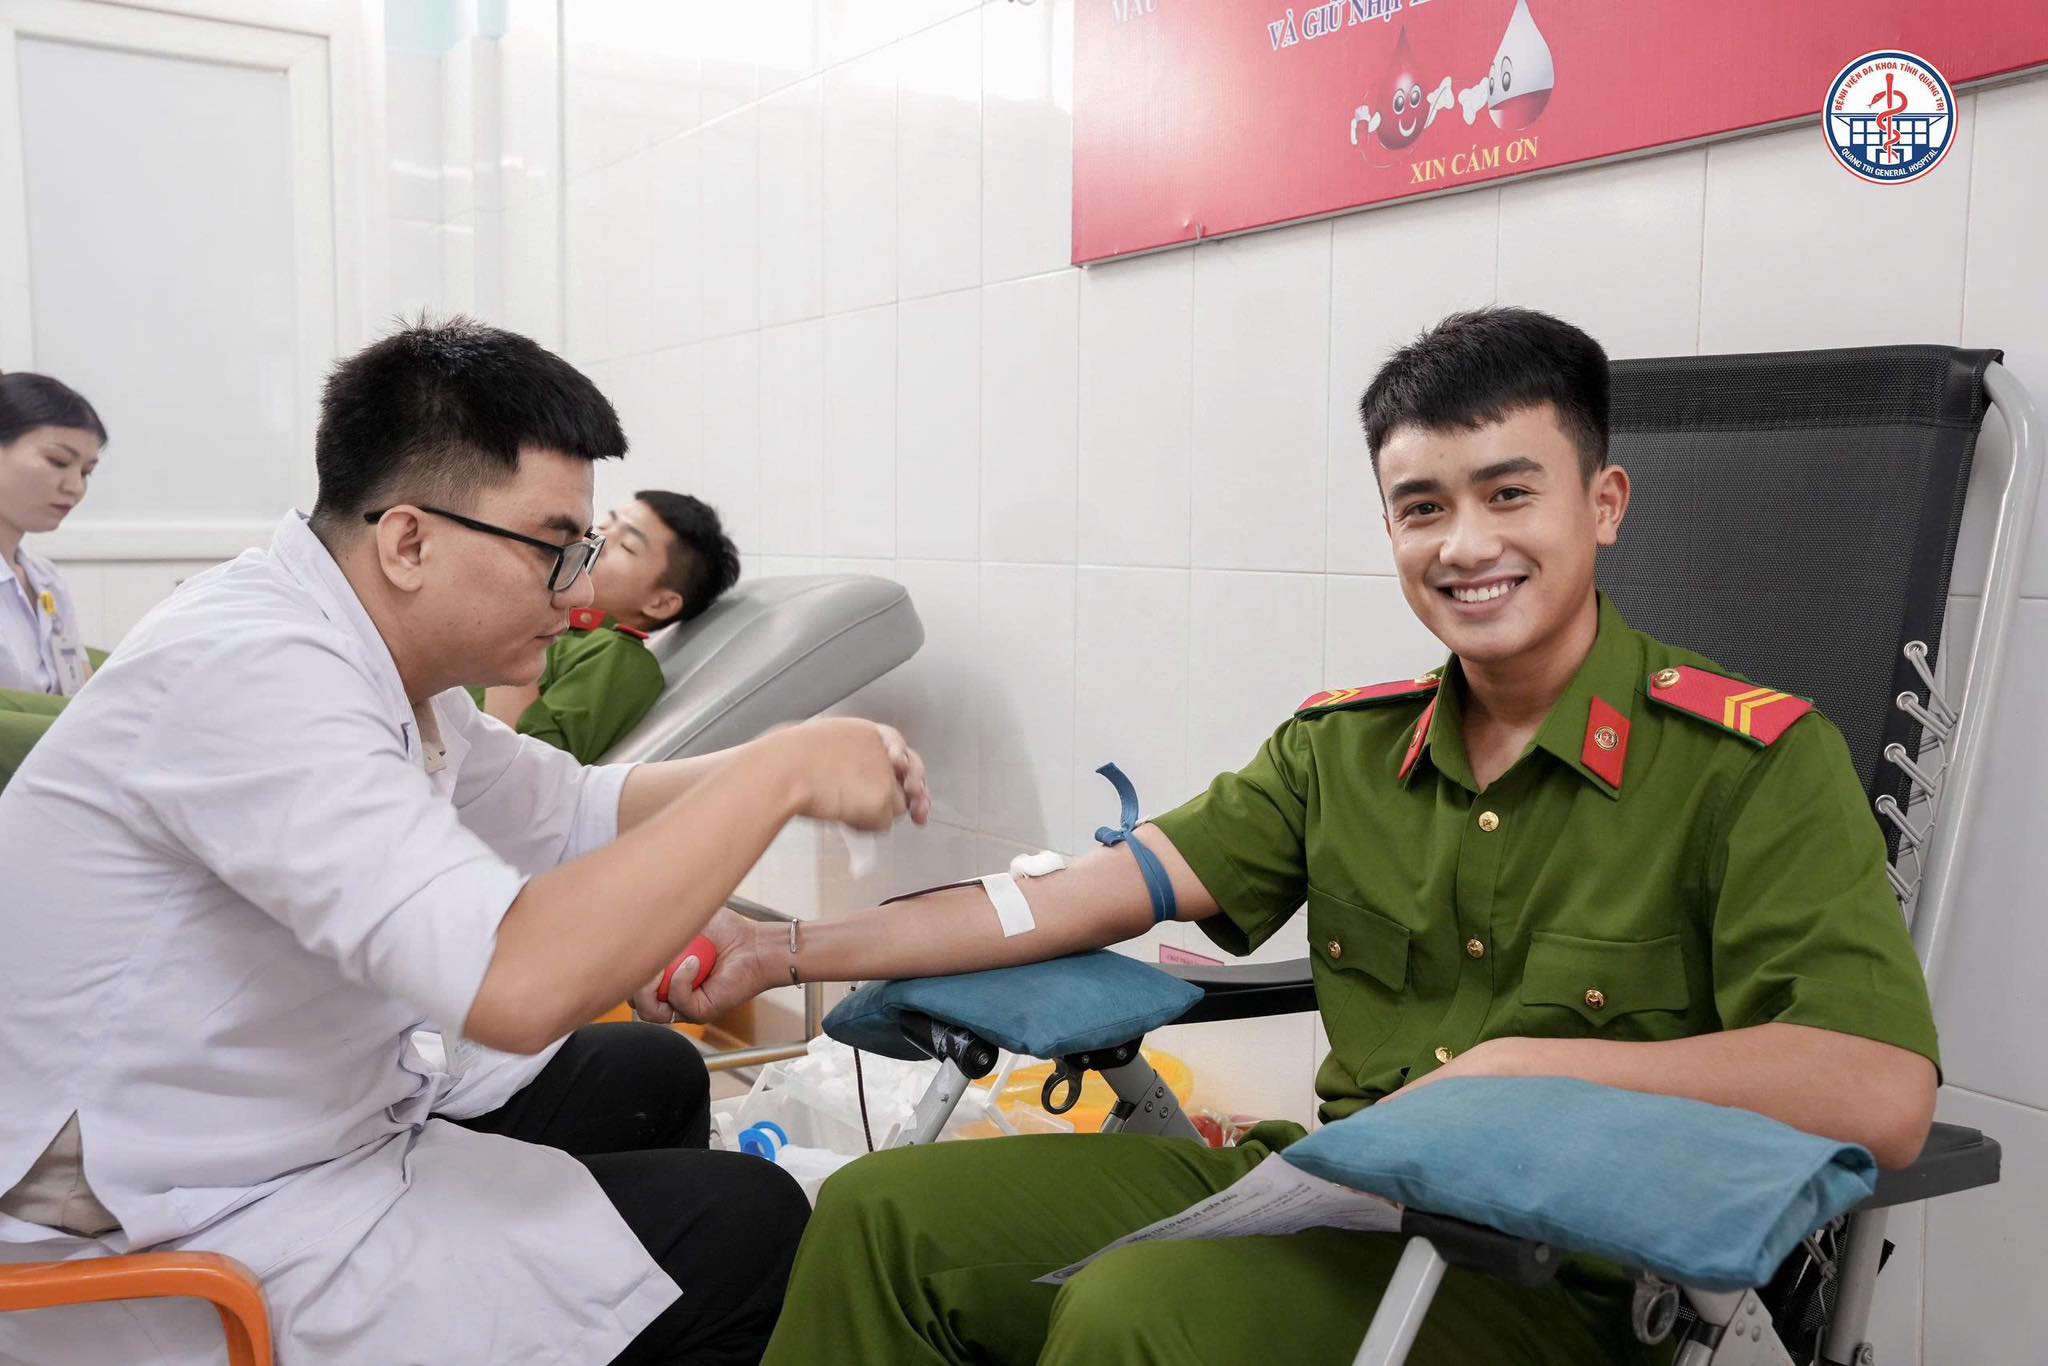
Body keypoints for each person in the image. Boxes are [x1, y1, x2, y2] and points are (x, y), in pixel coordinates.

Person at [666, 308, 1942, 1365]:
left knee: (1136, 1312)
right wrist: (785, 951)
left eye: (1509, 493)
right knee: (881, 1217)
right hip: (1329, 1193)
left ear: (1602, 502)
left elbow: (1879, 1092)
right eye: (1420, 506)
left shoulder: (1749, 765)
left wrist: (1522, 1067)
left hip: (1569, 1277)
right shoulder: (1342, 750)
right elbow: (1066, 899)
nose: (1465, 544)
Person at [0, 319, 930, 1366]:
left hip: (272, 1110)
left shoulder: (382, 661)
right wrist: (778, 777)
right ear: (408, 541)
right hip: (151, 1202)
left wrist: (784, 758)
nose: (579, 592)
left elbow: (572, 808)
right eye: (554, 549)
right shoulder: (255, 671)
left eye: (589, 551)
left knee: (652, 1074)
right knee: (748, 1227)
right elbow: (512, 985)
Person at [476, 491, 741, 762]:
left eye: (627, 546)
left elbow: (528, 766)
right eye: (604, 525)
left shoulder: (621, 657)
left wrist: (521, 622)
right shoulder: (551, 622)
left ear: (660, 603)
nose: (595, 540)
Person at [0, 372, 106, 697]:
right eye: (58, 462)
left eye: (86, 472)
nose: (75, 488)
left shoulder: (46, 580)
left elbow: (80, 696)